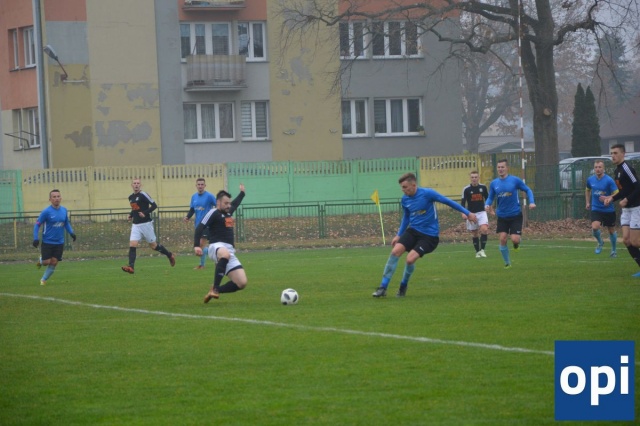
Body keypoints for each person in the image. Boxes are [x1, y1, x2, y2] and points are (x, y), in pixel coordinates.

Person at [372, 173, 477, 298]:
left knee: (410, 260)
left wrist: (468, 213)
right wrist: (398, 235)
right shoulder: (405, 199)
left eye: (405, 187)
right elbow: (406, 217)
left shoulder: (428, 193)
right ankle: (383, 287)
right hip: (413, 231)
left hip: (429, 236)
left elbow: (448, 202)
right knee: (395, 252)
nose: (403, 190)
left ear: (413, 185)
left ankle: (403, 286)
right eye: (402, 187)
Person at [194, 184, 247, 303]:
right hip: (216, 246)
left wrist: (242, 193)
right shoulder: (213, 212)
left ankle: (215, 290)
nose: (228, 205)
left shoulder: (228, 212)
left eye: (229, 203)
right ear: (218, 202)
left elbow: (235, 204)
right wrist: (196, 245)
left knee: (242, 283)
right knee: (225, 254)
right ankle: (215, 288)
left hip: (229, 251)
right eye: (226, 203)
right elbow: (200, 227)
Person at [484, 159, 536, 269]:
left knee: (514, 239)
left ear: (507, 168)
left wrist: (531, 202)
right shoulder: (494, 183)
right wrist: (487, 204)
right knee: (502, 238)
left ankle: (516, 244)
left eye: (502, 167)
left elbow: (528, 190)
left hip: (515, 215)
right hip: (502, 216)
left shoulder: (515, 180)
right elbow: (490, 197)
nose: (500, 169)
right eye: (499, 167)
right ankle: (507, 263)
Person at [122, 178, 175, 274]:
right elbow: (135, 208)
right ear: (132, 185)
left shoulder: (143, 195)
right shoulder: (131, 197)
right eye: (134, 183)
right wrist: (131, 215)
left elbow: (154, 205)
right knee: (132, 244)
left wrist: (145, 213)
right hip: (136, 225)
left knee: (154, 246)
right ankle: (131, 267)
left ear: (140, 185)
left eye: (138, 183)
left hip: (146, 224)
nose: (136, 185)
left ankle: (169, 255)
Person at [601, 144, 640, 277]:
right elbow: (624, 190)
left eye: (615, 153)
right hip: (627, 210)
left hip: (636, 208)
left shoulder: (627, 168)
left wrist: (627, 199)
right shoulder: (617, 171)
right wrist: (612, 198)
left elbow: (638, 187)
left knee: (635, 242)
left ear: (623, 154)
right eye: (611, 153)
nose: (613, 155)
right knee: (627, 240)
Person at [32, 189, 76, 285]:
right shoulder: (46, 212)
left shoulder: (64, 210)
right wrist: (35, 238)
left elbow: (66, 223)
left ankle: (43, 280)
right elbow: (37, 224)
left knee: (54, 262)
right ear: (50, 199)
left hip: (59, 242)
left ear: (61, 198)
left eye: (58, 196)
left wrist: (72, 233)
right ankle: (41, 260)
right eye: (54, 197)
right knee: (46, 262)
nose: (56, 198)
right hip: (47, 241)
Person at [585, 160, 618, 257]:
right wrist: (587, 202)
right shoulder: (590, 180)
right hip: (596, 208)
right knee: (595, 227)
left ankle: (613, 250)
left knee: (611, 230)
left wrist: (609, 199)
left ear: (603, 168)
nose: (598, 169)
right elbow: (587, 190)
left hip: (608, 209)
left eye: (600, 167)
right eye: (596, 167)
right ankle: (600, 242)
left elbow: (617, 193)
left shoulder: (609, 180)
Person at [184, 178, 216, 269]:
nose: (200, 186)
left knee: (200, 245)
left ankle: (205, 263)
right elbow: (192, 209)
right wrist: (187, 217)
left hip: (207, 225)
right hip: (198, 225)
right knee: (200, 247)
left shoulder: (209, 196)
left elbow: (218, 206)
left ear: (205, 186)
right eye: (199, 184)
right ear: (196, 186)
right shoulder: (194, 197)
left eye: (202, 184)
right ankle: (217, 253)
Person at [461, 170, 489, 258]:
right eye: (472, 177)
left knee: (484, 229)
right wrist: (463, 213)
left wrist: (488, 207)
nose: (474, 179)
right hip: (471, 214)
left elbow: (488, 199)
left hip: (482, 212)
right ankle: (477, 252)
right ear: (470, 178)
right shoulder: (466, 189)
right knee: (475, 233)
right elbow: (463, 202)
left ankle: (482, 250)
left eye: (476, 177)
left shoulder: (483, 187)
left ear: (479, 178)